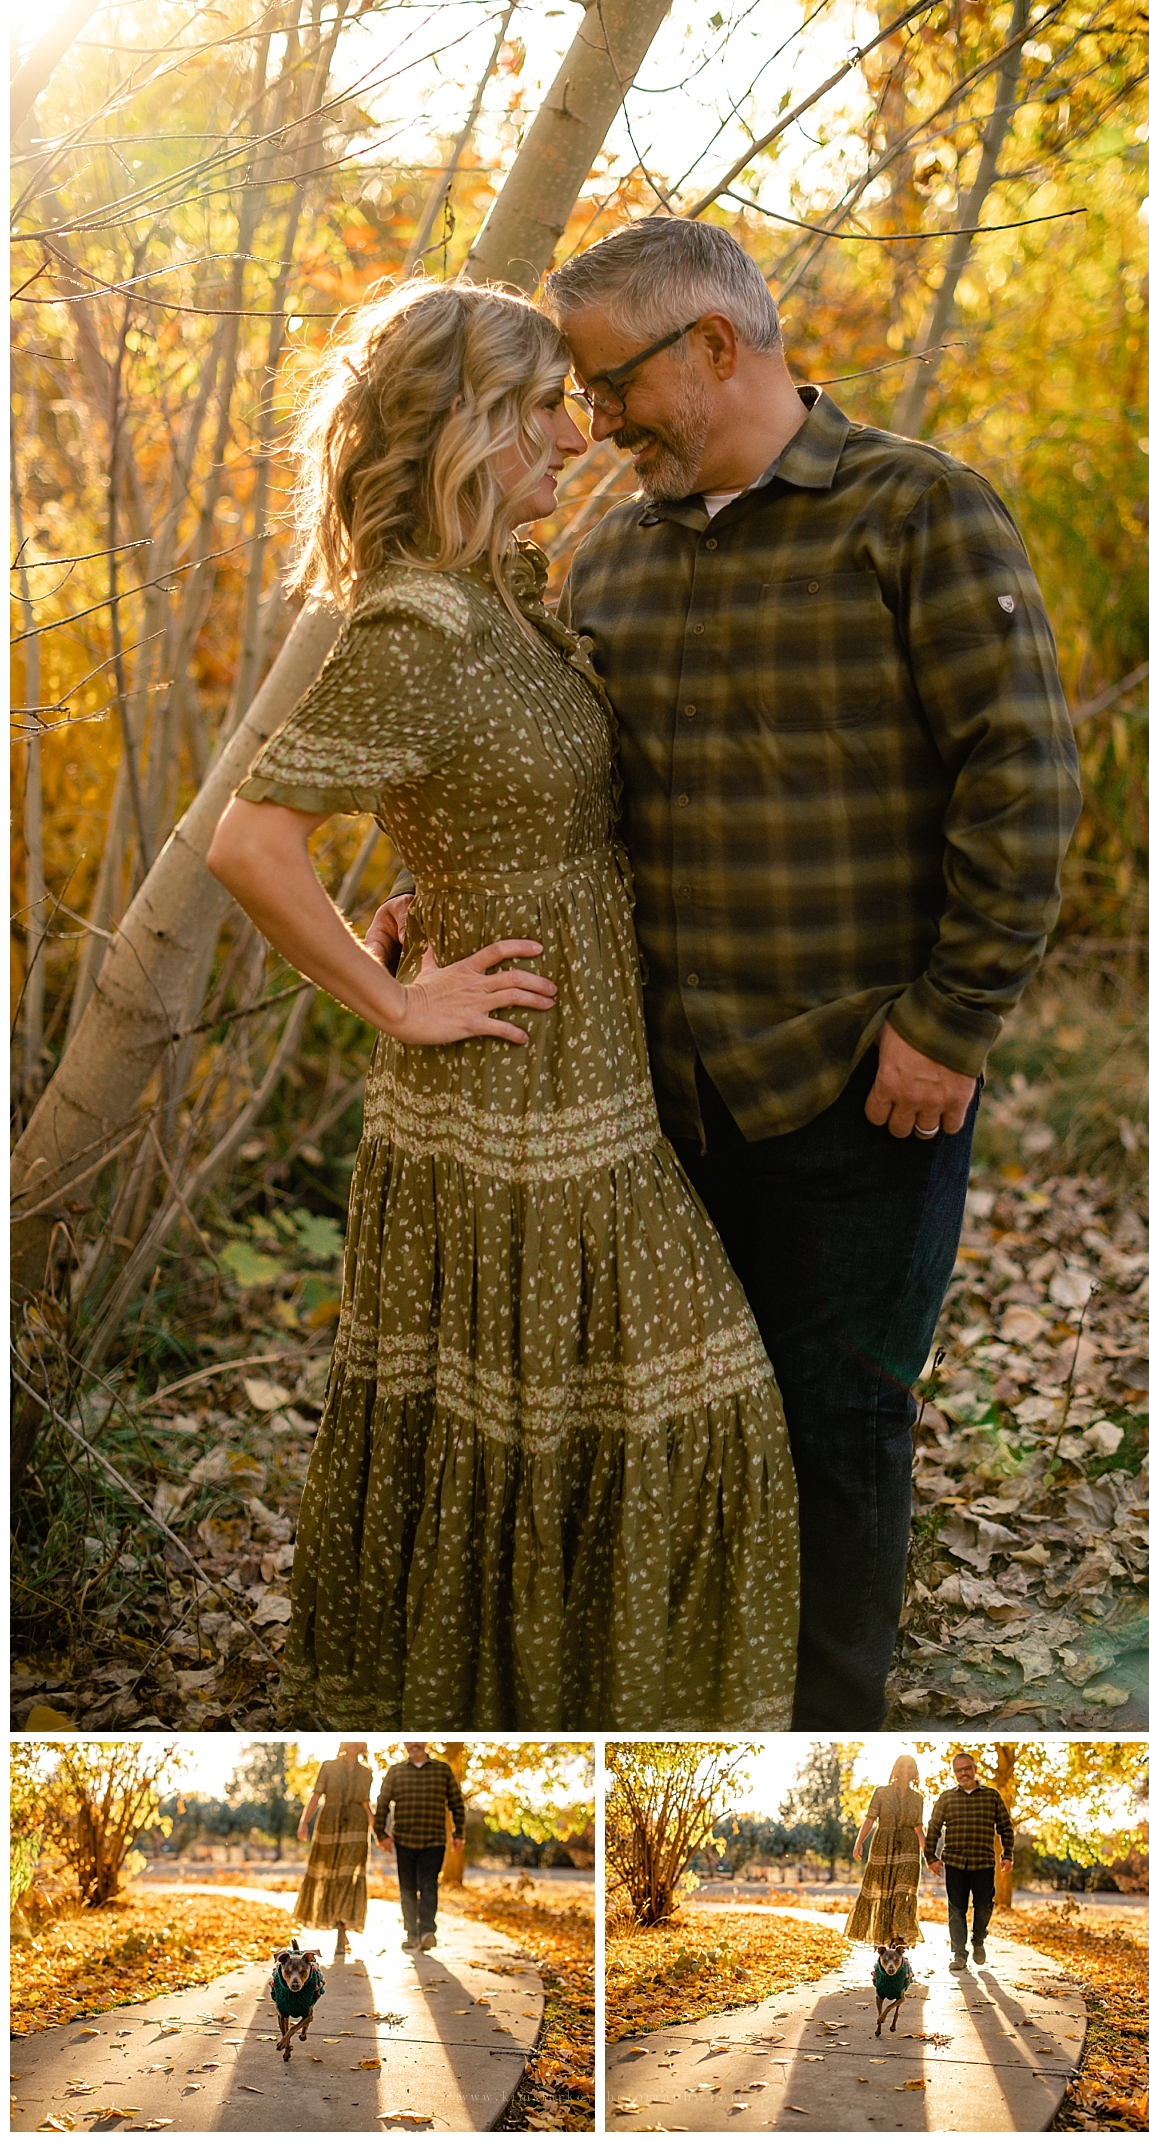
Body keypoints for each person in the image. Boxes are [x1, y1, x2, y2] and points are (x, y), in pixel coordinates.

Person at [206, 276, 800, 1730]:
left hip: (593, 1081)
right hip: (510, 1097)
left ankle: (568, 1704)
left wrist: (435, 879)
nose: (575, 436)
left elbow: (473, 795)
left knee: (627, 1423)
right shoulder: (417, 623)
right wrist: (391, 1000)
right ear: (467, 426)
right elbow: (249, 844)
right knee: (622, 1421)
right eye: (542, 407)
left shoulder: (498, 603)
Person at [545, 217, 1081, 1727]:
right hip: (665, 1094)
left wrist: (951, 1021)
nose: (596, 426)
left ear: (716, 345)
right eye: (579, 401)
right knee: (695, 1423)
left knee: (839, 1424)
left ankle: (825, 1725)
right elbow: (566, 789)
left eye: (611, 385)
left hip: (866, 1082)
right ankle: (705, 1692)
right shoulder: (613, 559)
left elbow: (1024, 783)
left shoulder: (917, 513)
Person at [924, 1751, 1015, 1969]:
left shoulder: (991, 1796)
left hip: (983, 1862)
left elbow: (1005, 1827)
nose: (964, 1773)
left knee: (984, 1907)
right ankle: (959, 1955)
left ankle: (978, 1940)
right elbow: (934, 1828)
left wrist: (1007, 1854)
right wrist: (930, 1857)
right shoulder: (946, 1798)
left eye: (967, 1768)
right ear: (954, 1773)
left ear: (975, 1769)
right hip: (955, 1863)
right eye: (959, 1770)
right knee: (956, 1910)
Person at [374, 1740, 465, 1952]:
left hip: (434, 1840)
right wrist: (381, 1834)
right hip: (404, 1840)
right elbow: (382, 1802)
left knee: (428, 1885)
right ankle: (411, 1934)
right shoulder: (396, 1772)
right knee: (407, 1888)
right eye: (410, 1740)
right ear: (405, 1744)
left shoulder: (442, 1770)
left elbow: (456, 1802)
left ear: (425, 1742)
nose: (414, 1743)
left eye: (418, 1740)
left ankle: (427, 1932)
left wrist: (459, 1832)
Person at [294, 1739, 374, 1958]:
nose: (355, 1743)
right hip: (329, 1825)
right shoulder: (328, 1766)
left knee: (348, 1878)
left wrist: (379, 1834)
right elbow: (316, 1796)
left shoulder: (367, 1773)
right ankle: (340, 1927)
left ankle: (341, 1931)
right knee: (328, 1876)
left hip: (356, 1830)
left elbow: (367, 1805)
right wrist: (303, 1823)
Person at [844, 1753, 925, 1947]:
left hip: (909, 1849)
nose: (905, 1770)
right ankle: (883, 1939)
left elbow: (919, 1828)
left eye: (910, 1767)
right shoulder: (881, 1793)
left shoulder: (917, 1798)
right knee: (883, 1893)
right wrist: (858, 1843)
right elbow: (870, 1820)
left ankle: (900, 1937)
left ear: (914, 1772)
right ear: (895, 1769)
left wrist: (929, 1855)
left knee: (902, 1893)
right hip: (883, 1846)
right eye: (902, 1766)